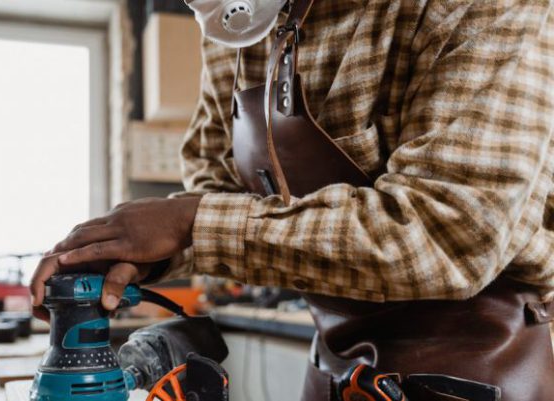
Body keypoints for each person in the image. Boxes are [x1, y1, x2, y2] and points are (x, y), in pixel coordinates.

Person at [32, 1, 554, 400]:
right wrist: (145, 249)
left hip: (468, 369)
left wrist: (195, 225)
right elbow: (218, 186)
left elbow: (446, 235)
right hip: (334, 366)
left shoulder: (482, 8)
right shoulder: (238, 20)